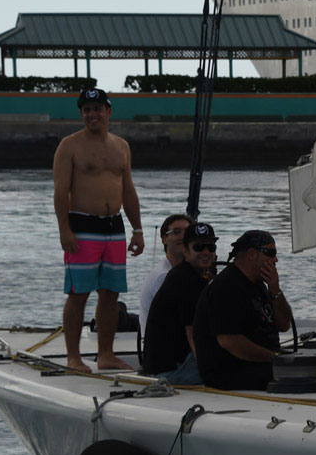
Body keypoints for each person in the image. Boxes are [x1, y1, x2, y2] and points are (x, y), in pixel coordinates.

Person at [53, 87, 144, 373]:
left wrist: (137, 229)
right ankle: (73, 358)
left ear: (108, 111)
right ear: (82, 114)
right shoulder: (69, 145)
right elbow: (60, 190)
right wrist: (64, 229)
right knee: (78, 293)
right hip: (82, 227)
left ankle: (105, 354)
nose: (92, 114)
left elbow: (127, 190)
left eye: (97, 109)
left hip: (114, 227)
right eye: (86, 110)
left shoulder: (122, 146)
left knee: (110, 294)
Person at [193, 230, 293, 391]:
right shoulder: (227, 287)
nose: (275, 259)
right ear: (252, 254)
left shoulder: (258, 283)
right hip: (232, 375)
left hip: (260, 367)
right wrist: (274, 358)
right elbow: (230, 341)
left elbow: (284, 325)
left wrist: (275, 291)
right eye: (270, 253)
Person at [144, 221, 217, 384]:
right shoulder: (186, 280)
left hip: (166, 365)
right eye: (199, 247)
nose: (206, 252)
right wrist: (210, 374)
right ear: (185, 250)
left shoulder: (190, 275)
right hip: (172, 371)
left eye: (210, 248)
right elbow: (193, 334)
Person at [139, 213, 192, 336]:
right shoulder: (163, 276)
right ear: (164, 239)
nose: (183, 236)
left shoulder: (182, 272)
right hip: (162, 346)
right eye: (176, 232)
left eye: (187, 232)